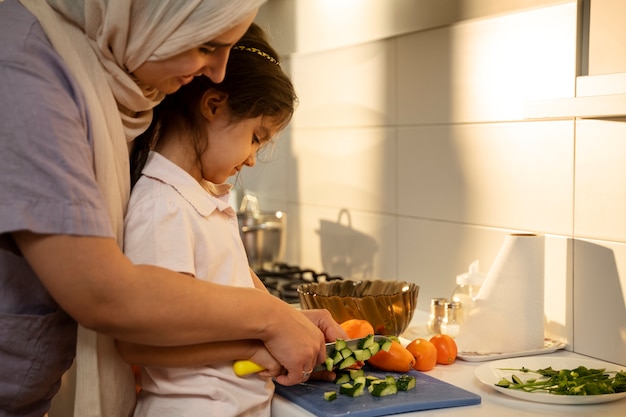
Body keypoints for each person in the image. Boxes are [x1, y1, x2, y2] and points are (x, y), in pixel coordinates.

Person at [0, 1, 344, 416]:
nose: (215, 70)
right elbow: (111, 303)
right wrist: (271, 319)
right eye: (207, 45)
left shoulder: (132, 107)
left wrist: (284, 324)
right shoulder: (29, 69)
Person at [117, 22, 311, 417]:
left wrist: (297, 320)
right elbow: (141, 342)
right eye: (257, 136)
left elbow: (238, 293)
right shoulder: (162, 203)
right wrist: (255, 345)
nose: (254, 157)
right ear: (213, 105)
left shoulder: (201, 199)